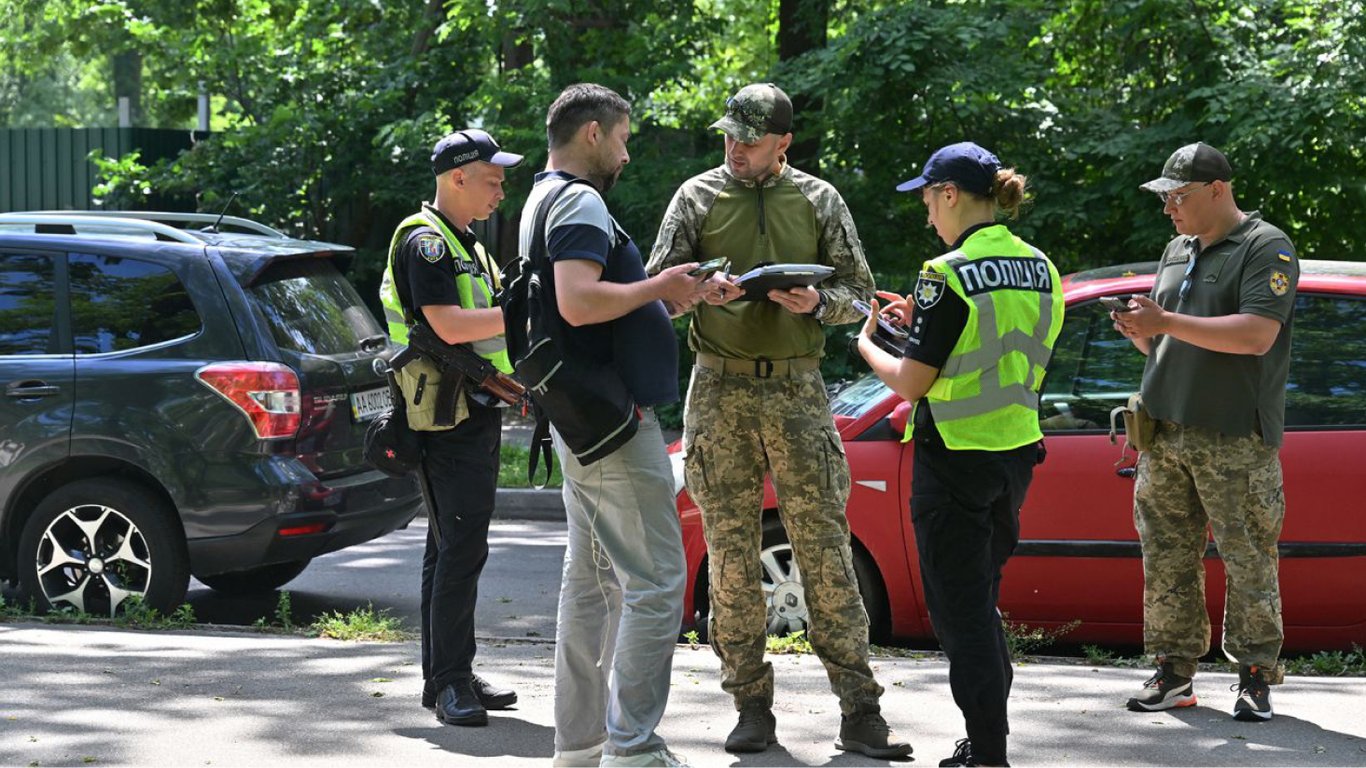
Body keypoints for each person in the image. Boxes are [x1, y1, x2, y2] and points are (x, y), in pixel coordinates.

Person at [647, 82, 910, 760]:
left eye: (750, 140)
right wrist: (695, 290)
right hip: (719, 390)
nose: (734, 149)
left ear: (784, 143)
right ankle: (749, 705)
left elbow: (860, 295)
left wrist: (817, 302)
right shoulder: (695, 198)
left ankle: (859, 709)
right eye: (728, 136)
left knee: (825, 552)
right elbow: (656, 295)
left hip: (797, 391)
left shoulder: (820, 200)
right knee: (731, 556)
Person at [857, 141, 1063, 768]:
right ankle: (986, 737)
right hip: (1015, 457)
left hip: (952, 461)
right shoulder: (1043, 267)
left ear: (950, 194)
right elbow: (996, 343)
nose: (927, 216)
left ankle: (990, 753)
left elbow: (914, 382)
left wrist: (867, 343)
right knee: (980, 601)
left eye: (927, 200)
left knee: (960, 614)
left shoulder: (943, 273)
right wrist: (919, 320)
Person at [521, 83, 706, 768]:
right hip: (612, 426)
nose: (627, 153)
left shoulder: (541, 197)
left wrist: (671, 298)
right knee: (657, 584)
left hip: (580, 421)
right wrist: (659, 288)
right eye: (623, 137)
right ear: (592, 133)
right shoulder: (577, 199)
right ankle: (635, 748)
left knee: (591, 584)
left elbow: (599, 308)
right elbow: (577, 302)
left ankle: (581, 744)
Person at [1114, 141, 1297, 722]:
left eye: (1179, 197)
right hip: (1165, 431)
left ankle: (1256, 677)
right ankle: (1173, 673)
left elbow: (1256, 335)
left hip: (1234, 437)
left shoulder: (1265, 246)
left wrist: (1164, 320)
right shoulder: (1177, 247)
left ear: (1217, 190)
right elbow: (1169, 340)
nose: (1169, 208)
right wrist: (1142, 330)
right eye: (1165, 199)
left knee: (1248, 558)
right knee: (1166, 556)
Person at [378, 128, 523, 727]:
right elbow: (448, 325)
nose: (501, 192)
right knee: (459, 546)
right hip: (444, 417)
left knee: (450, 545)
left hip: (471, 409)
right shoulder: (426, 244)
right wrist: (529, 311)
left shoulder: (468, 245)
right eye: (492, 180)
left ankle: (445, 675)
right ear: (457, 177)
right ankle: (450, 683)